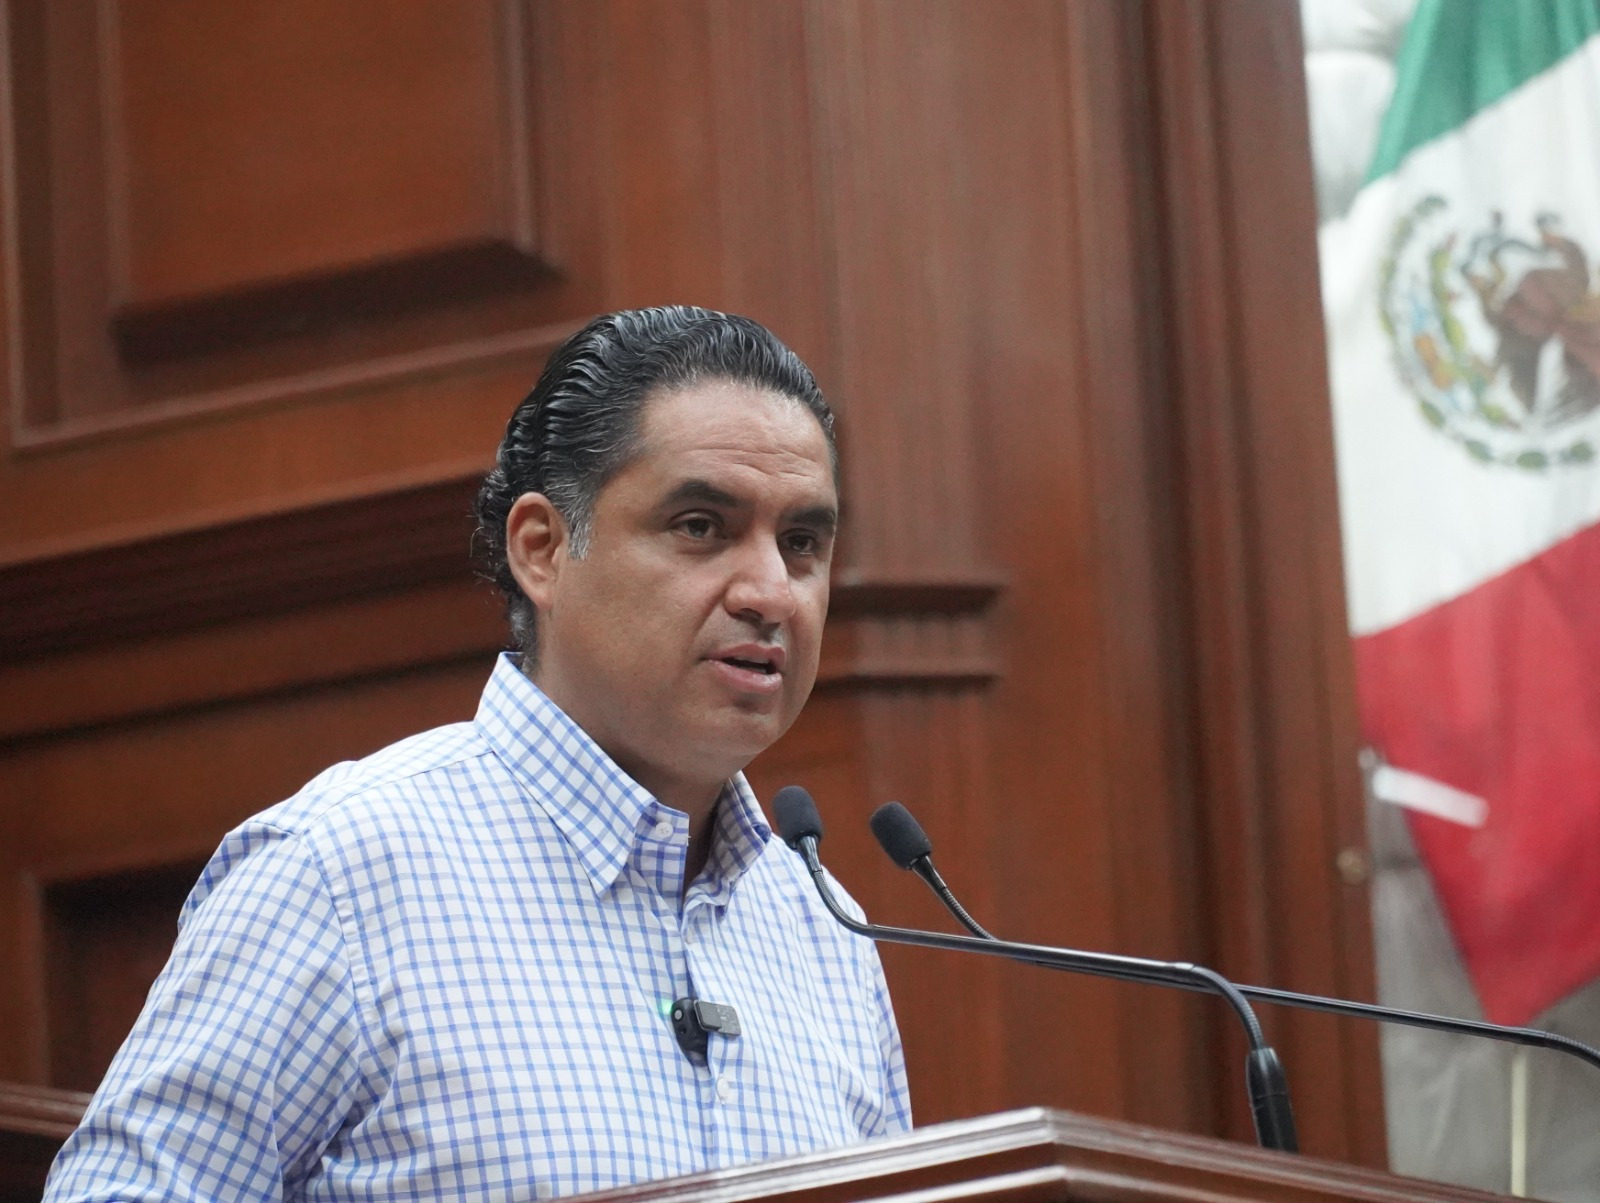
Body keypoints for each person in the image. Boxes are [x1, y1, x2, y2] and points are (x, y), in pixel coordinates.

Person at [44, 306, 912, 1202]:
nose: (772, 591)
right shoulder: (340, 871)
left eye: (802, 543)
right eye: (700, 525)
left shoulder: (826, 932)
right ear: (543, 549)